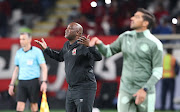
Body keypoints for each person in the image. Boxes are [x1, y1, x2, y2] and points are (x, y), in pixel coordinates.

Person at [78, 8, 163, 112]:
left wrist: (145, 89)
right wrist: (99, 43)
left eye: (137, 17)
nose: (132, 18)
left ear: (145, 23)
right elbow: (108, 52)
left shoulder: (155, 44)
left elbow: (158, 71)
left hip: (145, 91)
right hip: (125, 90)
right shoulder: (125, 37)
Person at [35, 22, 102, 112]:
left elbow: (98, 57)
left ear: (78, 32)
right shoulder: (66, 45)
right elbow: (59, 57)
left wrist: (90, 46)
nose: (66, 30)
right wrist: (47, 49)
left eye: (70, 28)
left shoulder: (84, 45)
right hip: (71, 88)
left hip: (84, 87)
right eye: (67, 28)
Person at [8, 32, 48, 112]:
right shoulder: (19, 53)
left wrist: (44, 82)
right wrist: (11, 84)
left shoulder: (37, 52)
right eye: (20, 39)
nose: (21, 41)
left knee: (34, 105)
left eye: (23, 39)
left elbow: (44, 67)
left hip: (33, 81)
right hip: (21, 82)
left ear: (29, 39)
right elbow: (16, 69)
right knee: (19, 106)